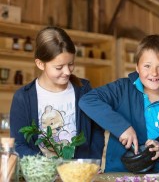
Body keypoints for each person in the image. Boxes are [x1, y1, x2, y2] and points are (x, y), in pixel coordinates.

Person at [79, 34, 159, 172]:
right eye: (147, 66)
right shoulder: (122, 89)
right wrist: (122, 128)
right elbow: (87, 100)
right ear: (137, 67)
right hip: (118, 176)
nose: (153, 73)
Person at [10, 26, 105, 159]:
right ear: (40, 64)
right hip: (41, 176)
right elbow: (18, 144)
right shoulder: (23, 97)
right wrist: (46, 167)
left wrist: (92, 162)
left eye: (71, 64)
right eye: (59, 67)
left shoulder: (84, 90)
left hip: (79, 174)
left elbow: (97, 130)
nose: (67, 72)